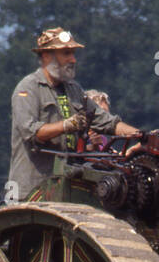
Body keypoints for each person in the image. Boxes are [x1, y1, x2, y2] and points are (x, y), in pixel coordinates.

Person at [9, 27, 140, 199]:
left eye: (73, 53)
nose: (73, 59)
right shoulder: (28, 89)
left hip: (67, 189)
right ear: (47, 56)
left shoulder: (74, 89)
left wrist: (141, 135)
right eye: (66, 53)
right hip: (33, 192)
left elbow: (107, 122)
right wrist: (67, 125)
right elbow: (31, 133)